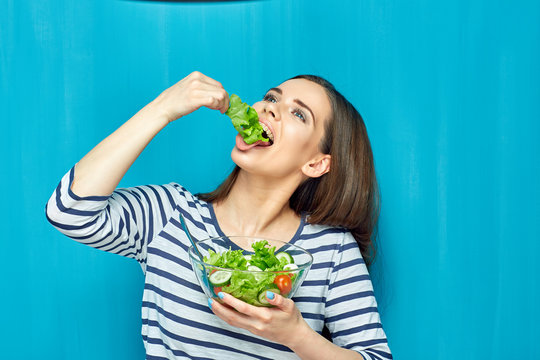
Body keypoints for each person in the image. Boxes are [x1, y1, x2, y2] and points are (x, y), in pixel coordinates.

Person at [45, 71, 392, 360]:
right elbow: (68, 212)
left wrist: (297, 336)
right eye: (271, 98)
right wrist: (162, 109)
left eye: (298, 114)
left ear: (316, 163)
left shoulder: (331, 248)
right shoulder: (171, 214)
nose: (270, 109)